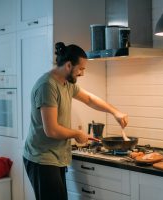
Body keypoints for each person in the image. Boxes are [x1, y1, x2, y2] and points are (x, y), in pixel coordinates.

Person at [23, 42, 128, 200]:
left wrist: (115, 112)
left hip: (56, 156)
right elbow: (51, 130)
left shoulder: (66, 83)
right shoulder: (47, 86)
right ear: (68, 65)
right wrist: (77, 134)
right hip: (41, 158)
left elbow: (90, 99)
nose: (82, 73)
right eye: (81, 69)